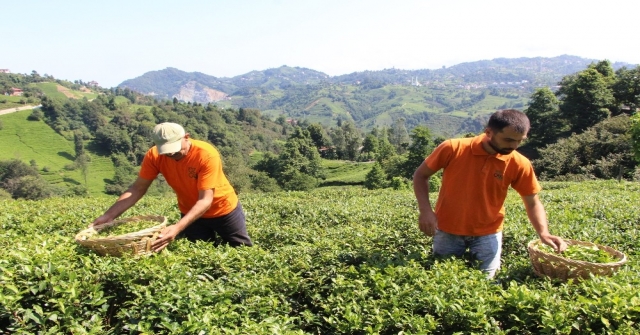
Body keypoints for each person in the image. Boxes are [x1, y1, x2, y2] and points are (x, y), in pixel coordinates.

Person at [412, 109, 566, 278]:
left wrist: (543, 232)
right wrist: (426, 211)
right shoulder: (453, 148)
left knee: (487, 282)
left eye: (519, 141)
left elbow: (532, 201)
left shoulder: (519, 163)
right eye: (507, 139)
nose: (513, 146)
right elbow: (421, 175)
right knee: (442, 279)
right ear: (488, 132)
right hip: (448, 229)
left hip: (488, 233)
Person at [91, 122, 252, 252]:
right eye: (166, 152)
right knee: (201, 255)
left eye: (174, 151)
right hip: (190, 212)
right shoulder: (154, 156)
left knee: (241, 251)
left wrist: (177, 228)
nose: (171, 156)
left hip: (223, 210)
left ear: (186, 137)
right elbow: (137, 189)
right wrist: (109, 215)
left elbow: (205, 200)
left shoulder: (206, 154)